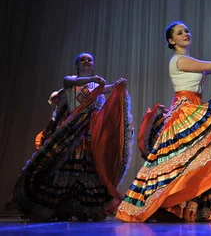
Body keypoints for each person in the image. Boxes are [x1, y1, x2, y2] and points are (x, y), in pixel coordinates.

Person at [116, 21, 211, 223]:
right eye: (179, 32)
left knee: (200, 157)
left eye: (186, 31)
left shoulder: (186, 60)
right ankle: (168, 203)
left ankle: (194, 207)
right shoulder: (179, 60)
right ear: (171, 40)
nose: (185, 34)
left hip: (193, 107)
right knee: (186, 158)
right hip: (185, 111)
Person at [9, 53, 132, 221]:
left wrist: (118, 84)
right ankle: (56, 207)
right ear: (77, 65)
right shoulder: (70, 80)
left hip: (88, 132)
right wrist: (95, 80)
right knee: (65, 165)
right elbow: (73, 83)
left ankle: (83, 208)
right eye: (83, 59)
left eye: (89, 60)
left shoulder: (95, 85)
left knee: (86, 167)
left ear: (93, 65)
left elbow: (110, 89)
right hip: (72, 130)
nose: (86, 62)